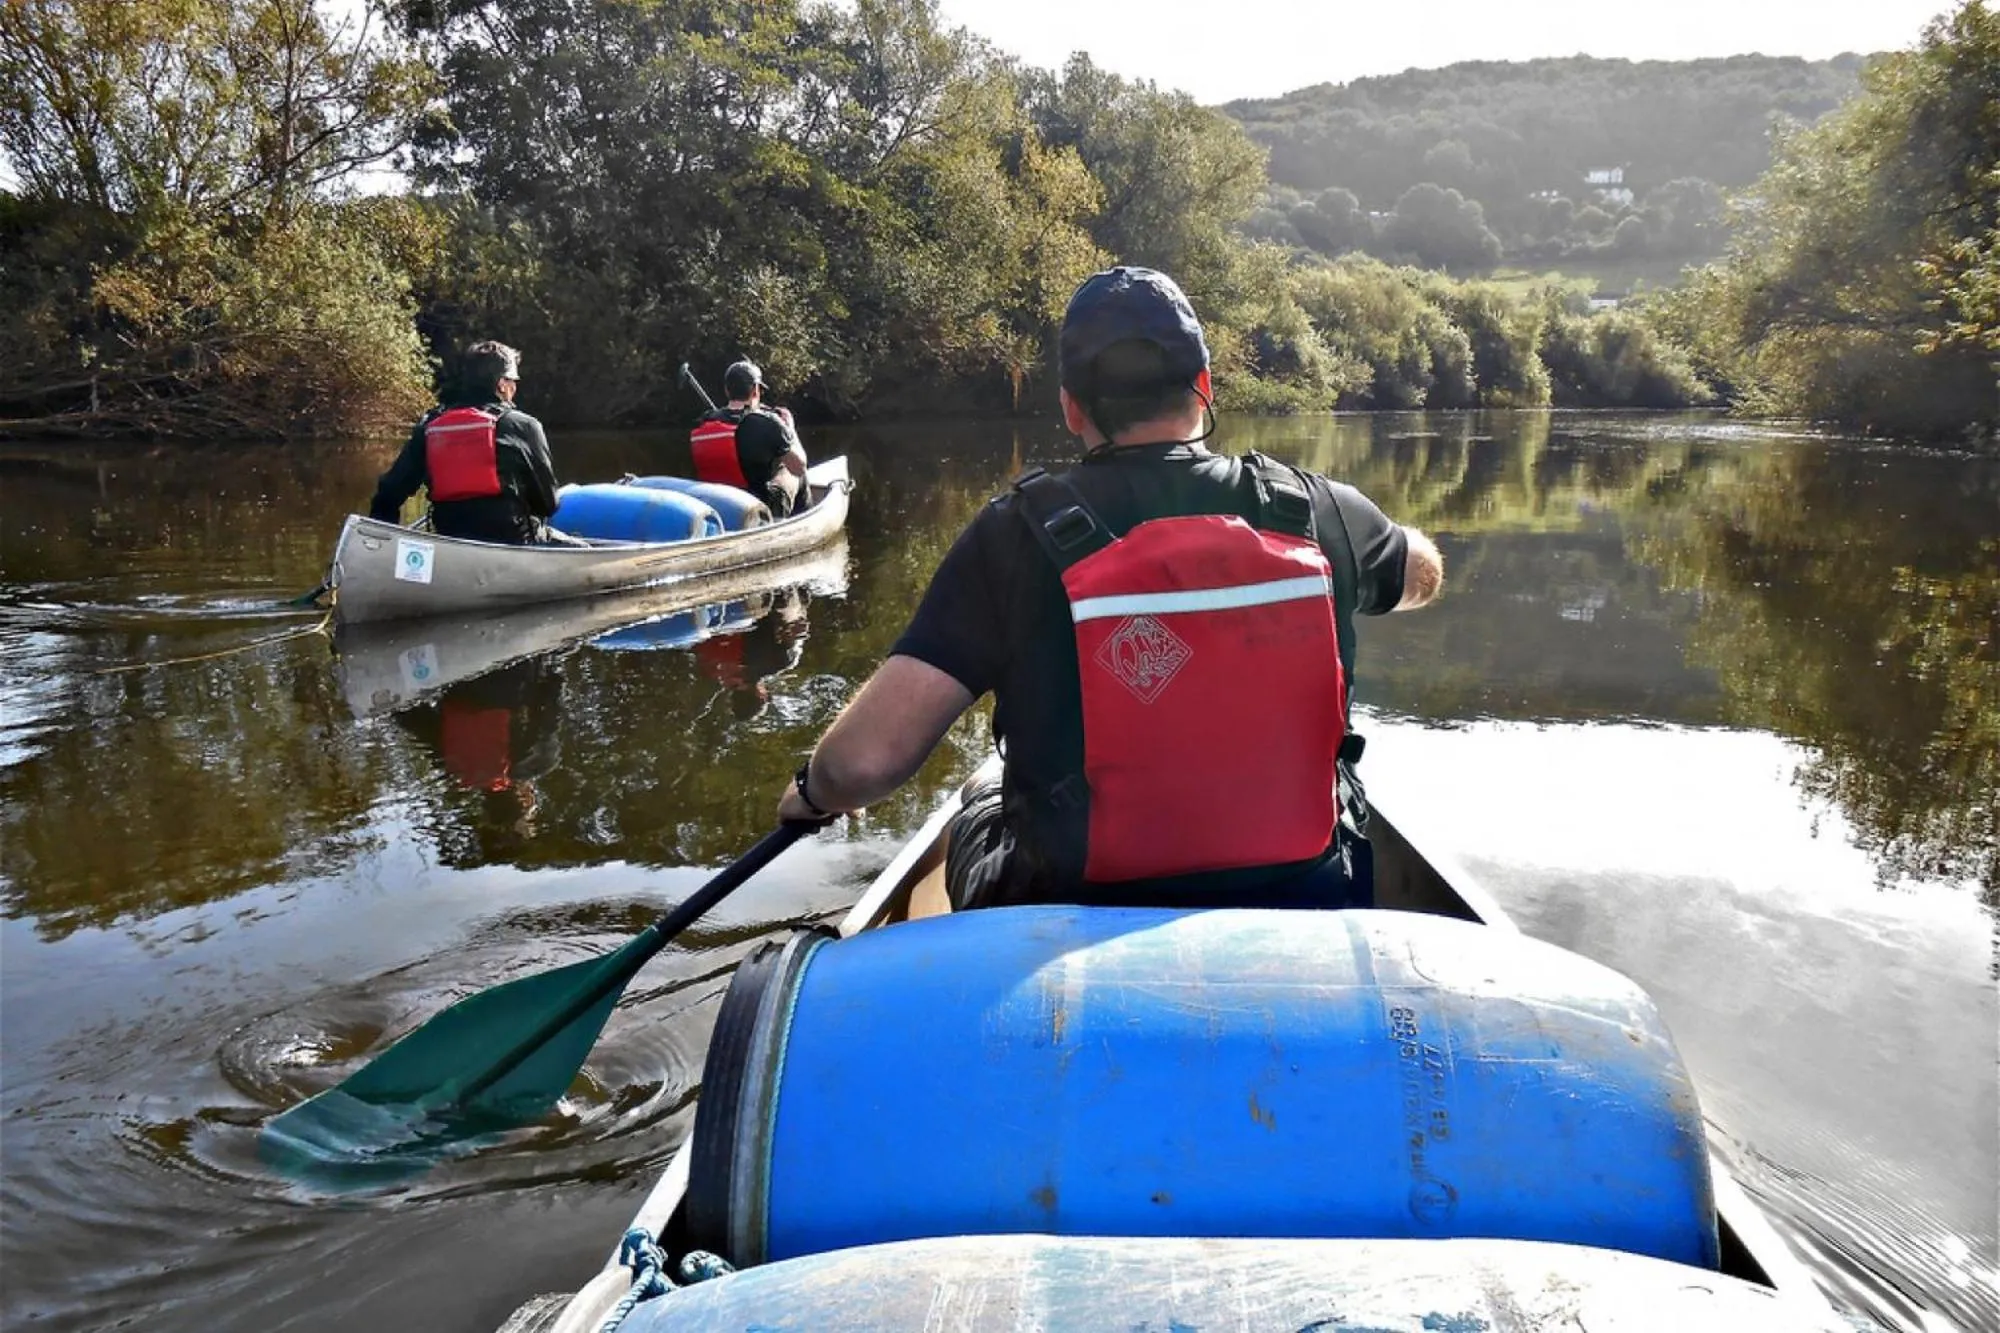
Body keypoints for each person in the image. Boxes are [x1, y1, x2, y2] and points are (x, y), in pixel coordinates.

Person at [775, 265, 1445, 910]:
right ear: (1204, 385)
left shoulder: (1014, 536)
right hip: (1307, 894)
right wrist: (1371, 544)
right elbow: (1420, 574)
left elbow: (863, 764)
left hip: (1073, 908)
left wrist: (812, 791)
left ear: (1071, 408)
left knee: (980, 795)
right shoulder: (1320, 513)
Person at [369, 340, 580, 546]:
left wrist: (383, 546)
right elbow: (548, 505)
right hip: (513, 543)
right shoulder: (524, 426)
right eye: (513, 381)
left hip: (449, 542)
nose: (515, 388)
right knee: (582, 548)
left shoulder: (430, 427)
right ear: (501, 384)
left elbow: (387, 495)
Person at [689, 360, 810, 517]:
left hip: (718, 505)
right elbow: (799, 467)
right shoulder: (767, 421)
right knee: (790, 470)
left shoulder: (703, 422)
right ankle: (804, 519)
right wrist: (790, 430)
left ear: (727, 390)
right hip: (759, 510)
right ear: (755, 390)